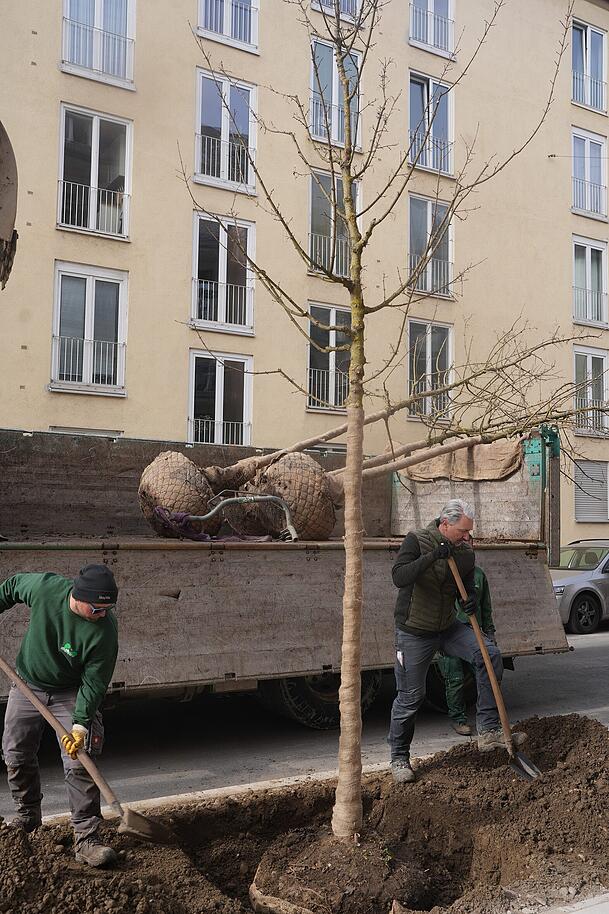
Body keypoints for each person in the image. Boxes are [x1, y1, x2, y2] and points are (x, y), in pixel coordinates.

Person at [387, 499, 525, 784]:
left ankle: (487, 731)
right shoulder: (417, 540)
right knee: (411, 696)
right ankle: (399, 757)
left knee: (489, 655)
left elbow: (466, 587)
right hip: (414, 631)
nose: (467, 537)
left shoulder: (464, 553)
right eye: (462, 531)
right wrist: (433, 557)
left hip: (448, 627)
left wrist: (471, 600)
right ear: (445, 524)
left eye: (469, 532)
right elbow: (399, 577)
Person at [0, 564, 119, 866]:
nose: (102, 614)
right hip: (28, 684)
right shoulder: (46, 589)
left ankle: (87, 838)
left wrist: (80, 724)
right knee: (15, 753)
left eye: (107, 608)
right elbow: (12, 586)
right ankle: (27, 818)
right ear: (78, 598)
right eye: (97, 609)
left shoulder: (104, 632)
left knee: (80, 759)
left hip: (70, 691)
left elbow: (94, 683)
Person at [439, 563, 495, 736]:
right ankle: (458, 719)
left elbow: (486, 605)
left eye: (469, 541)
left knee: (485, 675)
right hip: (450, 635)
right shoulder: (442, 574)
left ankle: (489, 722)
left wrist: (490, 632)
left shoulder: (478, 574)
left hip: (474, 633)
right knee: (454, 678)